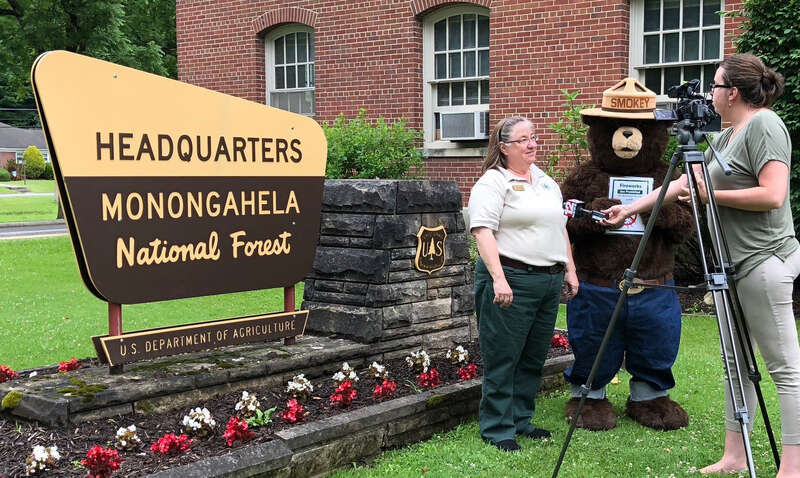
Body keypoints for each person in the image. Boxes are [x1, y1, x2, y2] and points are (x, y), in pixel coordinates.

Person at [604, 53, 799, 476]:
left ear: (732, 92)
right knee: (734, 363)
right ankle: (734, 455)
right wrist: (629, 209)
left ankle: (792, 467)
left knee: (785, 369)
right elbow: (682, 184)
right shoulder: (727, 135)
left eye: (714, 86)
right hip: (731, 266)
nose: (709, 94)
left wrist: (714, 195)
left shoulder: (765, 125)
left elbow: (773, 195)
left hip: (764, 261)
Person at [468, 116, 579, 452]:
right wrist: (499, 278)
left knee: (533, 356)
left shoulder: (546, 181)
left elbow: (560, 227)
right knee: (503, 354)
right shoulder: (493, 182)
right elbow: (482, 231)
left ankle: (521, 420)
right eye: (523, 140)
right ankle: (497, 427)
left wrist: (570, 270)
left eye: (534, 137)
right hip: (511, 278)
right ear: (504, 147)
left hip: (548, 280)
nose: (532, 144)